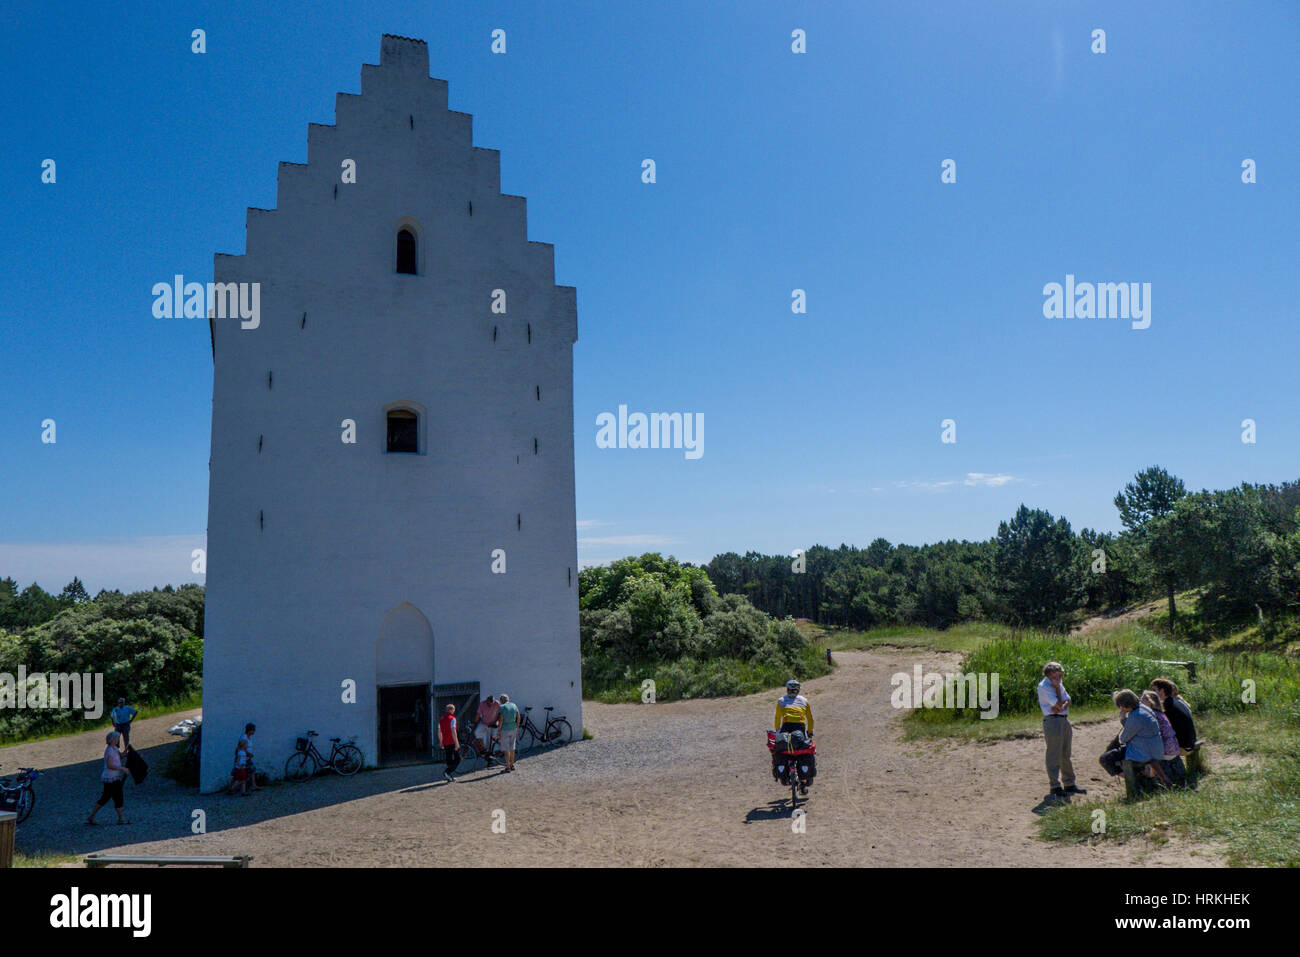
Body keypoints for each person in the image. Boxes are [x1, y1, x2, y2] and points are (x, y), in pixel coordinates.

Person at [1037, 662, 1086, 799]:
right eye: (1056, 675)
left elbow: (1068, 700)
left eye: (1060, 675)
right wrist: (1058, 691)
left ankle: (1069, 783)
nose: (1059, 677)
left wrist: (1062, 703)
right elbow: (1058, 704)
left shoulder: (1058, 682)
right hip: (1053, 721)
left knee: (1065, 753)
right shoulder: (1044, 686)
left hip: (1063, 719)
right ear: (1049, 675)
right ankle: (1055, 786)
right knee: (1054, 754)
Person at [1113, 689, 1168, 796]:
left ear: (1123, 705)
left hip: (1144, 752)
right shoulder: (1144, 708)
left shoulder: (1135, 716)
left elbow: (1123, 739)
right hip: (1156, 748)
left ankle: (1136, 781)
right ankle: (1150, 777)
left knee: (1107, 759)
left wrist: (1123, 718)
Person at [772, 679, 815, 794]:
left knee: (782, 749)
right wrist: (810, 732)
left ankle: (785, 775)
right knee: (805, 750)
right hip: (800, 728)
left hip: (786, 728)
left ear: (787, 690)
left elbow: (777, 718)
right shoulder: (804, 701)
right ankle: (804, 782)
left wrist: (777, 731)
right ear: (798, 690)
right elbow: (810, 719)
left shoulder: (781, 701)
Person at [1141, 690, 1186, 785]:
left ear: (1149, 702)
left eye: (1143, 699)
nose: (1140, 702)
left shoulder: (1151, 716)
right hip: (1173, 748)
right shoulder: (1161, 713)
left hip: (1165, 751)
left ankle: (1149, 780)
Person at [87, 731, 128, 825]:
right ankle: (121, 818)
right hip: (111, 777)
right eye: (117, 738)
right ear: (113, 739)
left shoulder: (114, 748)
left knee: (107, 797)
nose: (118, 740)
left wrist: (125, 752)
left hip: (113, 777)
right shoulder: (109, 750)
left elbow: (119, 756)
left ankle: (91, 817)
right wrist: (122, 768)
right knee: (116, 796)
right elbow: (109, 765)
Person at [497, 693, 520, 773]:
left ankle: (507, 767)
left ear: (501, 701)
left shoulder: (502, 707)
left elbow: (501, 719)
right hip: (513, 727)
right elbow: (518, 716)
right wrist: (517, 726)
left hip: (505, 729)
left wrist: (499, 730)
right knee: (512, 747)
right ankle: (512, 765)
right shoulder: (514, 705)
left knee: (506, 749)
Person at [474, 695, 501, 763]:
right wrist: (474, 722)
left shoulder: (497, 703)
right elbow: (478, 714)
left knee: (491, 742)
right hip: (484, 723)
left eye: (492, 703)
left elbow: (500, 714)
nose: (490, 705)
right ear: (486, 701)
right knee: (477, 732)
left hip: (493, 724)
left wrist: (497, 722)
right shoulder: (482, 704)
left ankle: (490, 758)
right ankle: (483, 749)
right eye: (489, 703)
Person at [234, 723, 260, 792]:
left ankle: (253, 785)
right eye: (253, 730)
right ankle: (232, 788)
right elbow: (241, 747)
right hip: (244, 757)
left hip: (247, 757)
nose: (254, 731)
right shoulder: (244, 737)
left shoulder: (248, 737)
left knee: (252, 770)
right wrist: (249, 754)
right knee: (247, 771)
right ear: (250, 730)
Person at [439, 704, 461, 782]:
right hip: (452, 741)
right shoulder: (452, 719)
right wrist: (457, 742)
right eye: (454, 709)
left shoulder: (441, 719)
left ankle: (449, 776)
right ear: (451, 710)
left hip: (445, 742)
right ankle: (447, 772)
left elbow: (439, 732)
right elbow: (453, 731)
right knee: (458, 759)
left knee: (449, 759)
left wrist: (441, 742)